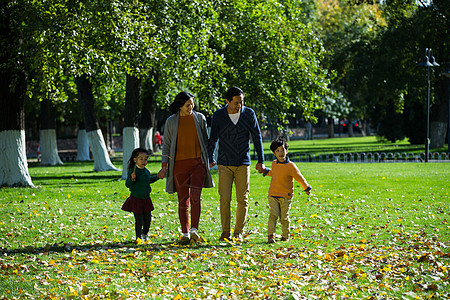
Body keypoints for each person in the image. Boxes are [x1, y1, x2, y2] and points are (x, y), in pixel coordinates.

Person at [208, 86, 265, 242]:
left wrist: (261, 160)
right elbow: (212, 138)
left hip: (243, 163)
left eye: (242, 101)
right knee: (224, 198)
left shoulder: (249, 114)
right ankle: (225, 231)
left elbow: (257, 137)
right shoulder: (219, 116)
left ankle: (238, 232)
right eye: (236, 102)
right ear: (227, 101)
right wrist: (210, 157)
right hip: (224, 163)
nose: (240, 105)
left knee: (242, 199)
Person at [157, 92, 214, 244]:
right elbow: (167, 145)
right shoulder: (171, 122)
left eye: (192, 104)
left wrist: (209, 159)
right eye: (187, 105)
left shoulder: (200, 118)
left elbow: (206, 141)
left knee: (195, 197)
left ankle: (194, 229)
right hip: (179, 166)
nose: (191, 107)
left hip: (198, 165)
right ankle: (185, 233)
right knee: (183, 199)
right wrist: (164, 166)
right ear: (180, 106)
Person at [261, 137, 312, 244]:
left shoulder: (291, 166)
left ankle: (285, 236)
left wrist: (306, 187)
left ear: (286, 150)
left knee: (284, 218)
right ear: (274, 153)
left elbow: (299, 177)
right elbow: (275, 174)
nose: (281, 153)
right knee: (273, 215)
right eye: (277, 151)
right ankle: (271, 236)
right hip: (273, 195)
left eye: (282, 150)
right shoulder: (274, 163)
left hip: (285, 196)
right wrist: (266, 171)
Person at [122, 148, 162, 243]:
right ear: (135, 160)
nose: (144, 161)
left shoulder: (146, 171)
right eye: (141, 159)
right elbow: (128, 185)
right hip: (136, 199)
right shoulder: (133, 171)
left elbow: (148, 180)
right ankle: (138, 237)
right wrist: (132, 179)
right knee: (139, 220)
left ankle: (145, 234)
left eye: (146, 159)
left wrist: (157, 177)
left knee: (148, 219)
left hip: (146, 199)